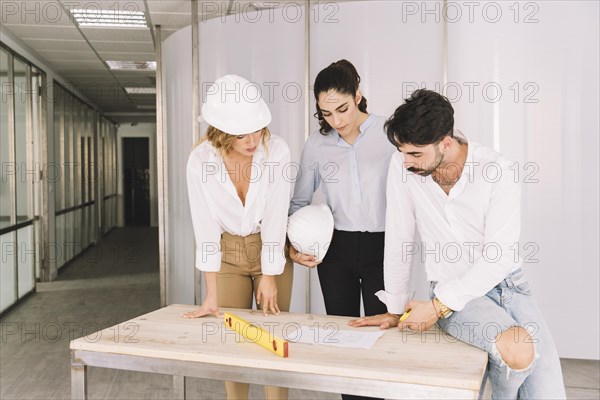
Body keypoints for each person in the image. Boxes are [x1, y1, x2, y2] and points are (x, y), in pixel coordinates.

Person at [350, 89, 566, 399]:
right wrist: (396, 309)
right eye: (401, 151)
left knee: (549, 394)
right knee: (516, 348)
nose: (405, 161)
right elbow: (399, 239)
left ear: (446, 144)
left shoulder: (496, 170)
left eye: (414, 154)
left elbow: (499, 257)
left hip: (510, 286)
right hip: (455, 293)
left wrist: (435, 308)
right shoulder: (402, 169)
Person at [289, 60, 395, 400]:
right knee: (345, 337)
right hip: (336, 250)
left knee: (383, 336)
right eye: (326, 113)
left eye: (343, 109)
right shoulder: (317, 145)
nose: (337, 121)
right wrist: (294, 247)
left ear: (359, 95)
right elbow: (298, 202)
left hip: (384, 245)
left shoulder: (390, 133)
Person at [183, 74, 293, 400]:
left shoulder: (277, 151)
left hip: (268, 246)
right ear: (220, 132)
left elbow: (276, 215)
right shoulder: (200, 161)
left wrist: (270, 276)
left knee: (272, 338)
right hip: (226, 251)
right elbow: (204, 229)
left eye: (257, 129)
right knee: (235, 340)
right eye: (241, 134)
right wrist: (211, 293)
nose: (252, 140)